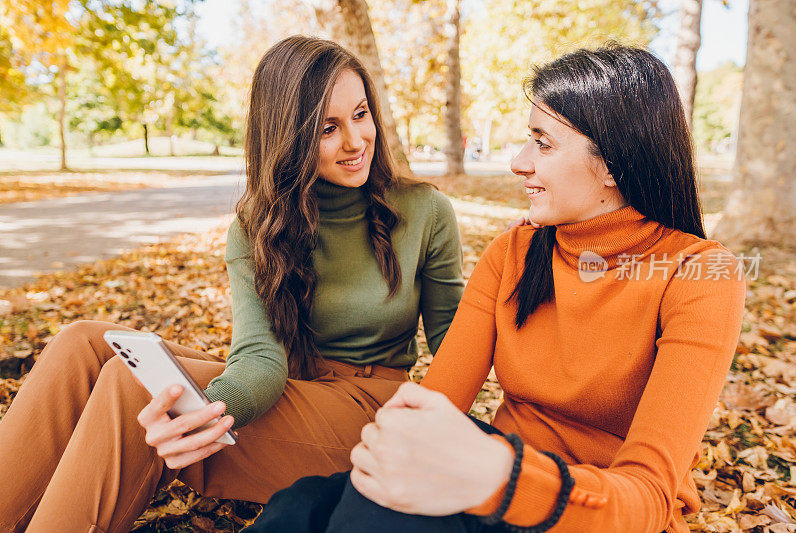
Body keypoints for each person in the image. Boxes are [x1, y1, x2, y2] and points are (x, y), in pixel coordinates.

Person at [248, 44, 747, 533]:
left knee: (377, 513)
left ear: (614, 164)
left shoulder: (699, 276)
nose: (518, 162)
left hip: (588, 508)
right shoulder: (515, 252)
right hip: (494, 469)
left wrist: (495, 477)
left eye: (543, 143)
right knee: (301, 505)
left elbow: (647, 499)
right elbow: (437, 401)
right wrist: (402, 440)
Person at [0, 36, 464, 533]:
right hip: (288, 384)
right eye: (328, 128)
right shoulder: (258, 226)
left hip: (370, 411)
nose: (355, 141)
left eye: (361, 114)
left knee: (132, 387)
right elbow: (260, 357)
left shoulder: (424, 211)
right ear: (288, 136)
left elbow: (456, 341)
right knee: (81, 345)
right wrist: (216, 406)